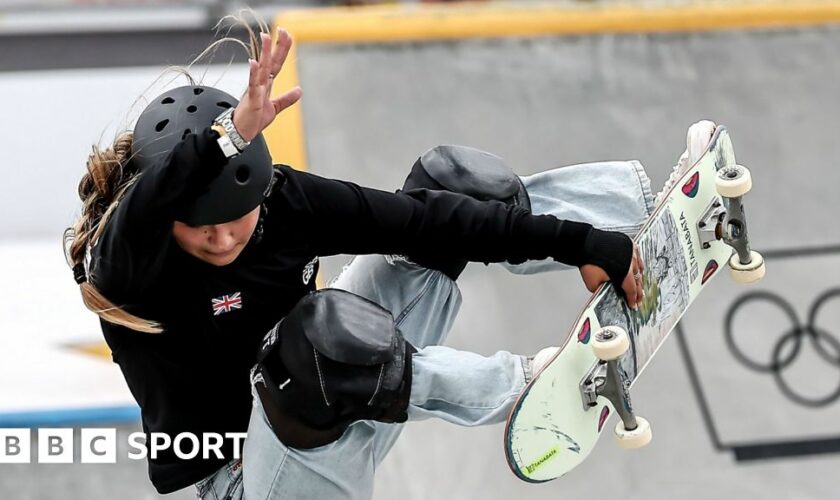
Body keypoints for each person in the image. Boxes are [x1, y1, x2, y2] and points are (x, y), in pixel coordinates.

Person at [64, 26, 714, 499]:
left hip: (343, 402)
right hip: (243, 482)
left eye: (236, 218)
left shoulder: (287, 201)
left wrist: (578, 243)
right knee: (309, 341)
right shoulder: (128, 269)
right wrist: (228, 134)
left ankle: (631, 219)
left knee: (452, 184)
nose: (222, 239)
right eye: (198, 229)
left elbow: (426, 219)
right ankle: (524, 390)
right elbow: (142, 211)